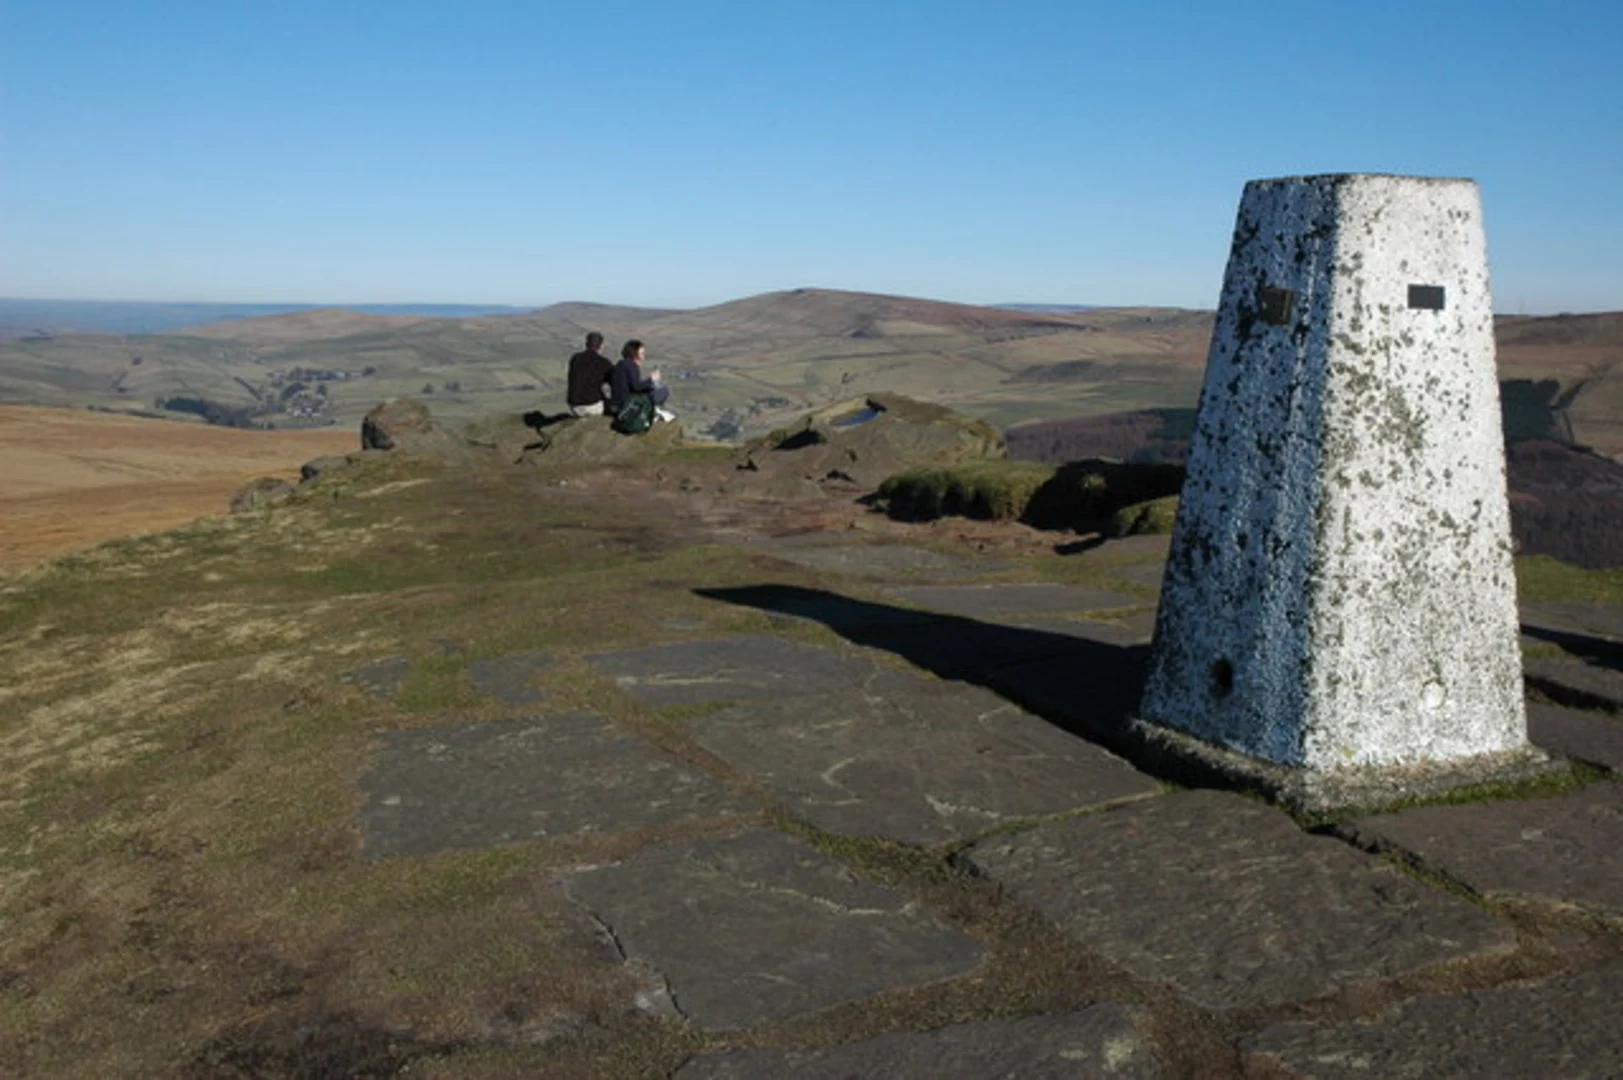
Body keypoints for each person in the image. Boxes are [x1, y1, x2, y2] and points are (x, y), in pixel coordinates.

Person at [608, 339, 675, 422]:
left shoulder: (621, 364)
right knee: (664, 390)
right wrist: (651, 379)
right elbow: (637, 387)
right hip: (626, 406)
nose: (643, 357)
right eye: (642, 354)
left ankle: (652, 411)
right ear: (634, 353)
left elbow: (630, 386)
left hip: (615, 405)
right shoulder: (631, 366)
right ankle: (650, 413)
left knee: (651, 389)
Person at [566, 332, 615, 416]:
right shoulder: (604, 363)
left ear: (586, 344)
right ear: (601, 346)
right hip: (592, 406)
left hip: (574, 406)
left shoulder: (575, 358)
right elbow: (614, 382)